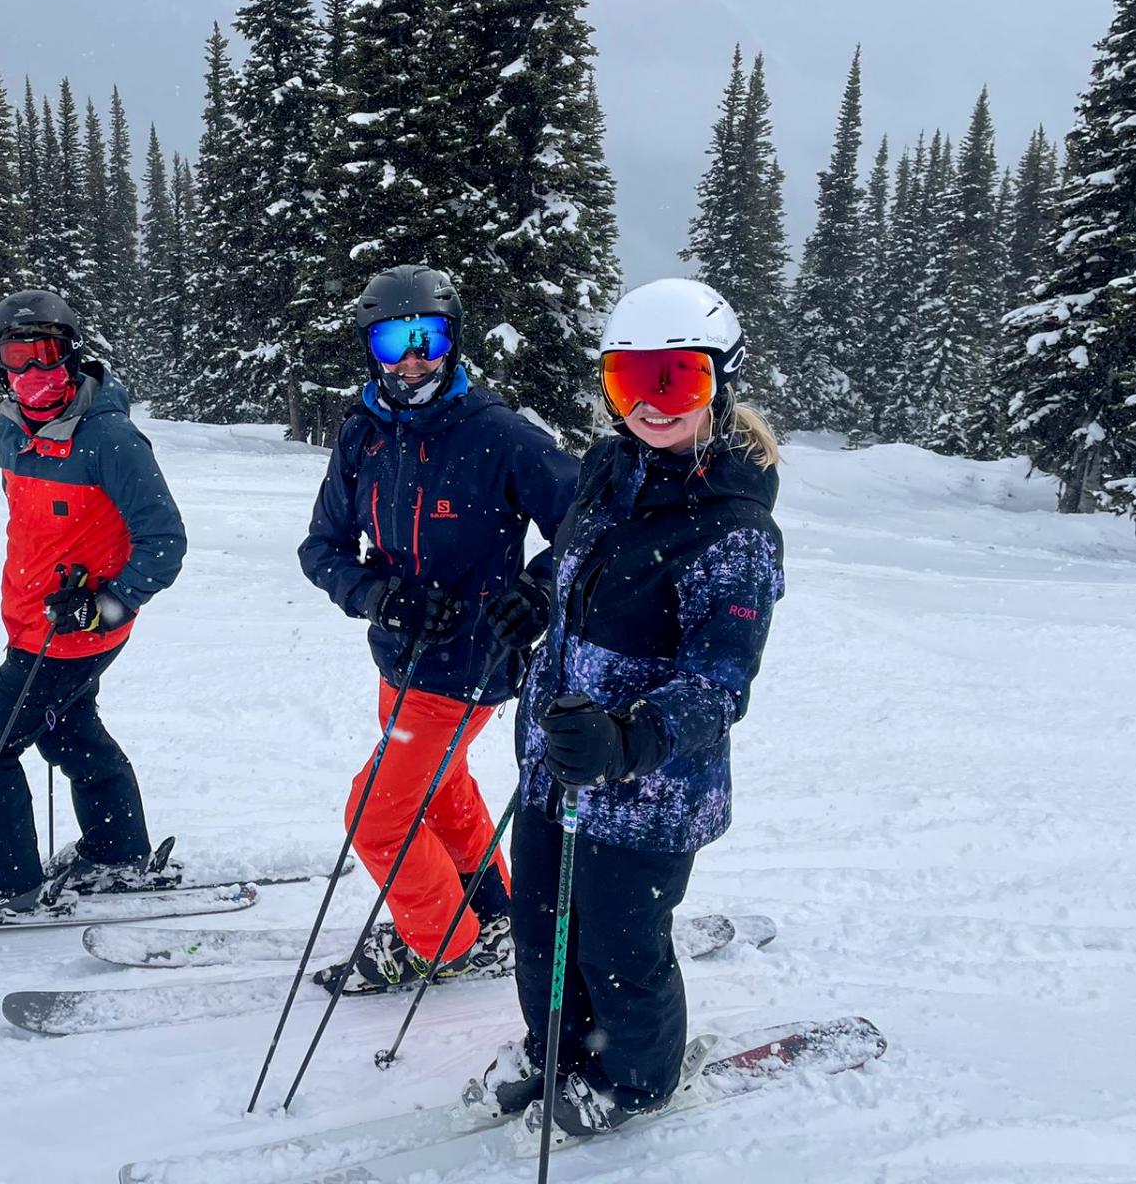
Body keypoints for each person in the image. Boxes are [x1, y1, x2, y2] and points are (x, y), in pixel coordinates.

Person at [475, 277, 785, 1138]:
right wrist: (533, 599)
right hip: (558, 756)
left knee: (620, 948)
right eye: (627, 382)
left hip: (650, 787)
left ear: (720, 384)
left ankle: (636, 1080)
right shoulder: (609, 469)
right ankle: (555, 1051)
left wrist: (629, 739)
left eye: (675, 381)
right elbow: (573, 563)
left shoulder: (733, 528)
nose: (650, 406)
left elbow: (718, 681)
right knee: (539, 930)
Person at [298, 264, 578, 992]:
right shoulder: (363, 434)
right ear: (373, 348)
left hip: (469, 666)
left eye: (429, 338)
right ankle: (495, 913)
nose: (413, 359)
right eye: (396, 342)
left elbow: (589, 528)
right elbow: (320, 549)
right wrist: (380, 598)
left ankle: (439, 942)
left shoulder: (499, 434)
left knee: (377, 816)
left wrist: (540, 591)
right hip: (397, 659)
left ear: (453, 341)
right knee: (443, 789)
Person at [0, 289, 188, 919]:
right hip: (30, 625)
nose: (32, 372)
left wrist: (109, 603)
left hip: (78, 632)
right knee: (69, 733)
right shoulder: (9, 432)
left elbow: (165, 542)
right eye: (17, 355)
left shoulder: (111, 440)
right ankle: (116, 853)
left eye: (45, 353)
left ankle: (3, 879)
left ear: (71, 355)